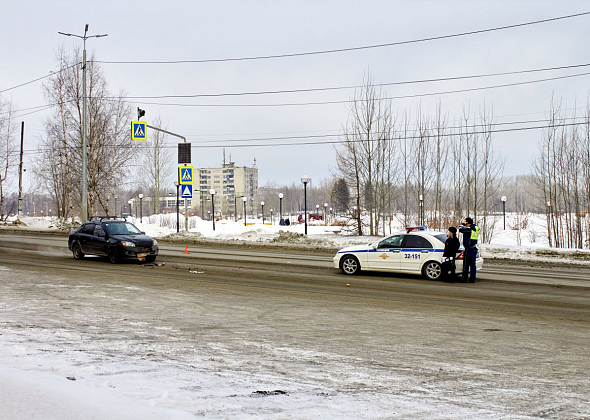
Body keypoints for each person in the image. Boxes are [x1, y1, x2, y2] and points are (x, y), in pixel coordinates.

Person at [459, 217, 480, 283]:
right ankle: (472, 279)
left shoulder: (468, 229)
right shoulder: (475, 228)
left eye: (465, 221)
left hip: (469, 248)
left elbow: (460, 229)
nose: (464, 222)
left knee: (466, 264)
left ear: (467, 222)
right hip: (474, 248)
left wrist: (463, 224)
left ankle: (464, 279)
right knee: (473, 265)